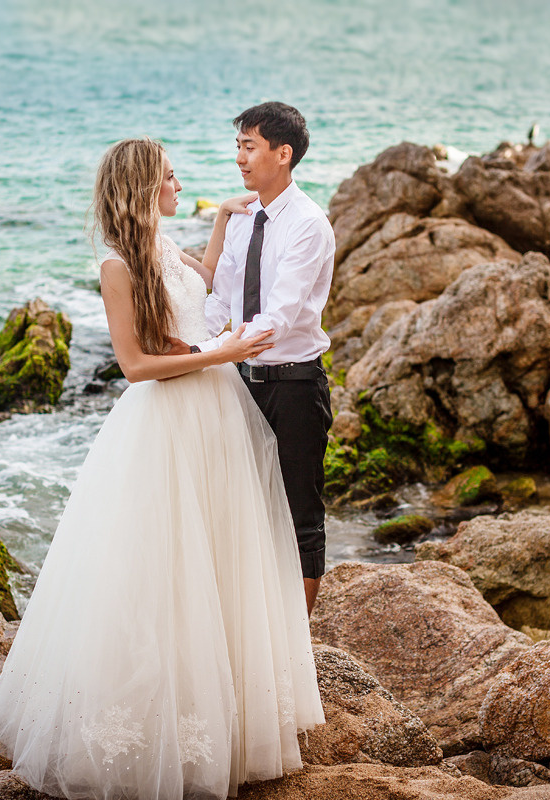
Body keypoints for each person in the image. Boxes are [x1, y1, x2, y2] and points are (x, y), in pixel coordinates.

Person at [0, 137, 324, 800]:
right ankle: (154, 722)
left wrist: (224, 223)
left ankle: (225, 708)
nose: (179, 183)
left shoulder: (164, 246)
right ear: (143, 186)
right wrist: (219, 351)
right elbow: (137, 365)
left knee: (218, 557)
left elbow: (200, 286)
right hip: (166, 421)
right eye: (169, 176)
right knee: (161, 569)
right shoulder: (117, 265)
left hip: (216, 414)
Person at [190, 102, 336, 615]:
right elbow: (222, 300)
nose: (240, 159)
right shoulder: (242, 220)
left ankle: (298, 640)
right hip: (240, 383)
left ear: (283, 153)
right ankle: (252, 624)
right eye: (238, 147)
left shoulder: (308, 224)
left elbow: (280, 315)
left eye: (249, 147)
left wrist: (208, 353)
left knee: (300, 513)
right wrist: (193, 346)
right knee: (240, 508)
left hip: (295, 388)